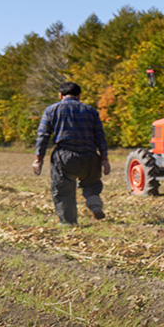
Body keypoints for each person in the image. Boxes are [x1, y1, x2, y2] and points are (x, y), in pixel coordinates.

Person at [32, 81, 110, 225]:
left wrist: (39, 159)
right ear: (79, 95)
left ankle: (69, 223)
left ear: (60, 95)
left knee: (63, 191)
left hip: (65, 156)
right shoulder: (91, 111)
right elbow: (100, 136)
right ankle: (94, 203)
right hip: (90, 156)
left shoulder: (51, 110)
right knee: (92, 184)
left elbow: (43, 136)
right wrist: (104, 158)